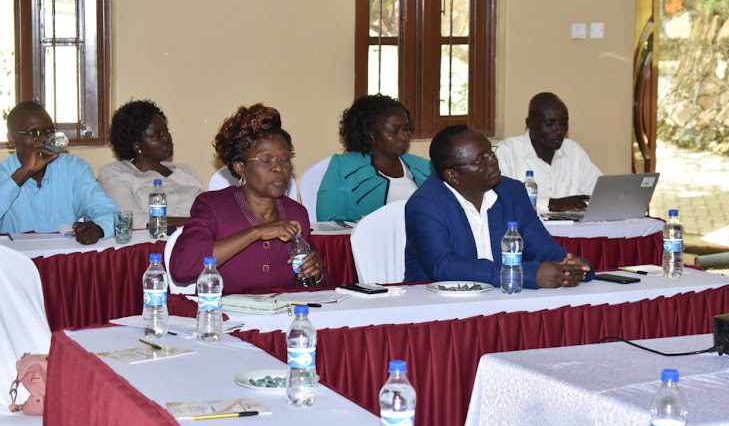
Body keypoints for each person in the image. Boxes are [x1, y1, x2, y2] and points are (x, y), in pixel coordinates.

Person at [404, 125, 593, 289]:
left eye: (491, 152)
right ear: (453, 176)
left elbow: (540, 245)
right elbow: (443, 266)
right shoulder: (425, 205)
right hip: (438, 309)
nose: (493, 161)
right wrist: (520, 274)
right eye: (482, 160)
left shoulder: (512, 192)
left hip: (499, 300)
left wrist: (570, 265)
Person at [171, 104, 326, 294]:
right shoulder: (212, 206)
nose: (279, 168)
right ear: (240, 168)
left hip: (283, 318)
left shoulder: (296, 212)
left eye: (285, 159)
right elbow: (182, 267)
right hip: (227, 318)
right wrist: (256, 233)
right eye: (266, 160)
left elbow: (319, 286)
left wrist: (317, 272)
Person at [0, 102, 119, 244]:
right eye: (34, 133)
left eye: (49, 131)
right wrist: (23, 173)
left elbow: (113, 213)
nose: (44, 139)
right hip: (16, 261)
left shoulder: (74, 168)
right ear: (12, 139)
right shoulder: (3, 172)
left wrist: (99, 228)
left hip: (62, 259)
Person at [317, 94, 433, 222]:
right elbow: (329, 220)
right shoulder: (344, 167)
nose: (404, 137)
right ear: (371, 134)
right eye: (395, 131)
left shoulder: (425, 167)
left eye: (406, 130)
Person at [98, 100, 204, 229]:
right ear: (137, 145)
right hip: (151, 243)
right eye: (158, 135)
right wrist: (196, 222)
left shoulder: (187, 172)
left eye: (166, 131)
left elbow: (208, 211)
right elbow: (131, 219)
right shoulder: (116, 173)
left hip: (198, 237)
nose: (167, 137)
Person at [495, 92, 602, 213]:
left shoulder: (574, 151)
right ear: (530, 123)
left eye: (563, 123)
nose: (559, 130)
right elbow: (501, 198)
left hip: (571, 230)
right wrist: (550, 203)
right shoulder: (506, 151)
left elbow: (601, 193)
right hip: (524, 230)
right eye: (549, 124)